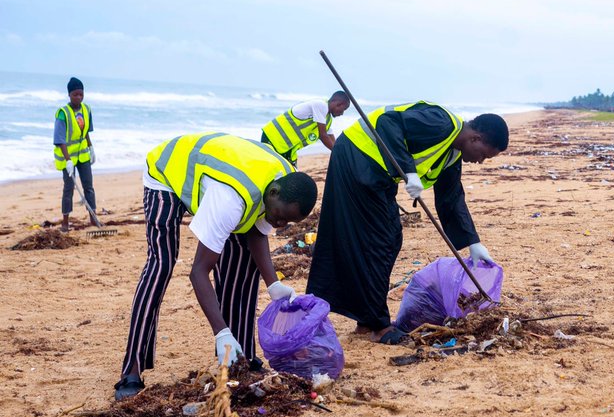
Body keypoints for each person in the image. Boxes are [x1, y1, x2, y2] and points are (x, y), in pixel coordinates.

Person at [114, 133, 318, 401]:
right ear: (273, 192)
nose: (279, 225)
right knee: (161, 265)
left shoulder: (284, 186)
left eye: (286, 223)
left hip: (225, 183)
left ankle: (239, 359)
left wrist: (273, 284)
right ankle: (132, 368)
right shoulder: (230, 200)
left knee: (243, 266)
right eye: (279, 218)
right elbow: (199, 272)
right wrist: (220, 333)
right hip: (168, 173)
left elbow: (257, 233)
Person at [306, 102, 509, 344]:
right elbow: (388, 122)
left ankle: (368, 320)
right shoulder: (441, 123)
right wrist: (409, 171)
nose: (481, 161)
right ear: (475, 138)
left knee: (386, 238)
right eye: (484, 155)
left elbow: (451, 199)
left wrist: (473, 243)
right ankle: (377, 326)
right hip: (357, 156)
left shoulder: (451, 156)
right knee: (382, 239)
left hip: (376, 172)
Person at [261, 91, 352, 165]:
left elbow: (330, 137)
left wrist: (340, 151)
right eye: (343, 109)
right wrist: (338, 154)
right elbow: (323, 135)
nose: (342, 113)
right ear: (338, 104)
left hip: (287, 148)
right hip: (273, 138)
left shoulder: (327, 119)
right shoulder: (321, 105)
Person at [53, 77, 96, 232]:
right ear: (69, 95)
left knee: (88, 187)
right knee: (69, 188)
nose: (78, 98)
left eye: (81, 94)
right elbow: (59, 139)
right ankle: (65, 223)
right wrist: (68, 160)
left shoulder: (87, 109)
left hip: (83, 155)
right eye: (75, 95)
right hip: (68, 157)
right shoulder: (62, 113)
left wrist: (91, 148)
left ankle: (93, 219)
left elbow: (85, 133)